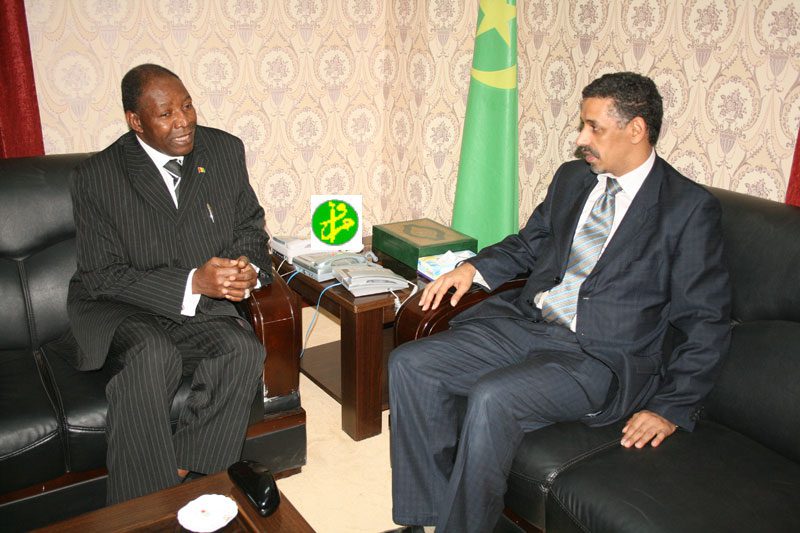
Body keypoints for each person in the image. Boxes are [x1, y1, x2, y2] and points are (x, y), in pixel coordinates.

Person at [389, 72, 731, 532]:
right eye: (582, 125)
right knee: (411, 364)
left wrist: (671, 407)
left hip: (597, 357)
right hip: (528, 324)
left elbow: (706, 320)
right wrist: (471, 269)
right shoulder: (573, 179)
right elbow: (528, 243)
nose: (580, 139)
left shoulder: (687, 209)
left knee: (493, 398)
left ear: (636, 129)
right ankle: (424, 517)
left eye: (593, 128)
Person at [66, 64, 273, 504]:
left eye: (187, 106)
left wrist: (248, 268)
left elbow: (249, 226)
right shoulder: (97, 177)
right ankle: (141, 513)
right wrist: (194, 282)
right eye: (166, 114)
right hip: (122, 305)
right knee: (153, 354)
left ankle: (188, 474)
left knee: (242, 349)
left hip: (197, 307)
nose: (183, 121)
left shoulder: (223, 150)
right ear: (136, 121)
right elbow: (103, 276)